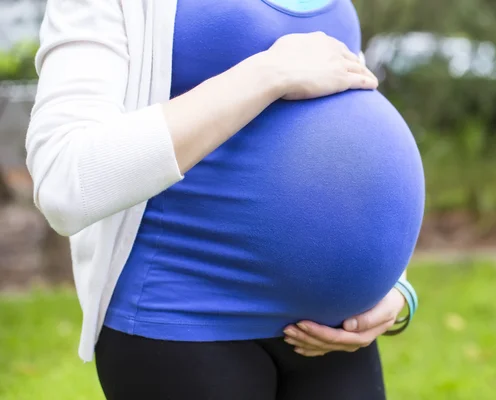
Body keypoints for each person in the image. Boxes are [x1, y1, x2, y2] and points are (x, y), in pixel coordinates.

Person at [26, 0, 425, 399]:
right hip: (186, 319)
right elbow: (66, 178)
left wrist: (394, 283)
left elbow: (350, 109)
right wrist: (268, 73)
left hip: (332, 331)